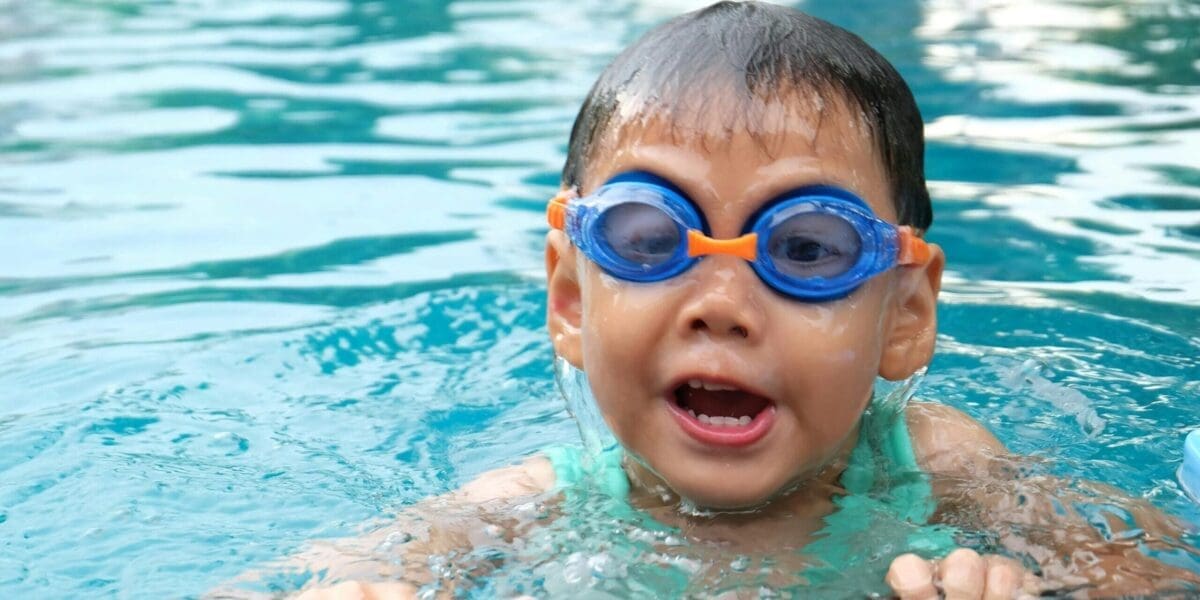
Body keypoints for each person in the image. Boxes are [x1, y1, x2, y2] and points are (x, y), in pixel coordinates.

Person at [278, 3, 1198, 598]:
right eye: (649, 239)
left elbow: (1151, 569)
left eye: (808, 248)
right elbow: (342, 570)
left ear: (905, 316)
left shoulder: (936, 465)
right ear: (569, 297)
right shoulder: (538, 504)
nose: (721, 305)